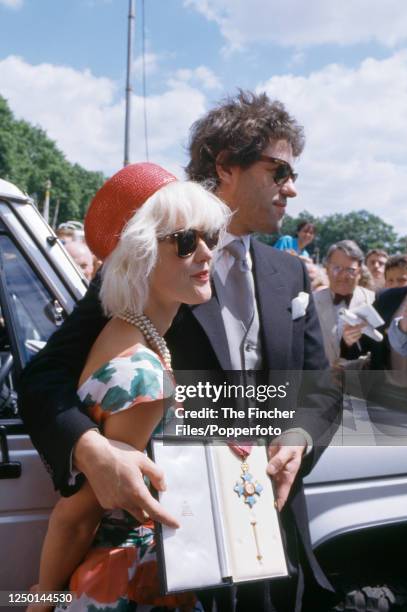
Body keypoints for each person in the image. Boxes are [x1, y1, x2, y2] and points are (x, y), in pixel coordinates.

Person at [19, 91, 340, 612]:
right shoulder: (151, 267)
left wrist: (297, 437)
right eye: (279, 171)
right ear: (226, 165)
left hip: (271, 545)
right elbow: (44, 378)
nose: (292, 188)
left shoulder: (290, 272)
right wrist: (90, 450)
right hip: (174, 557)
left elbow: (320, 388)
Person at [28, 162, 230, 611]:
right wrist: (38, 601)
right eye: (184, 241)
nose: (205, 253)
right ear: (139, 254)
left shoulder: (125, 333)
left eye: (209, 238)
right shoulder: (144, 374)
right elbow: (76, 517)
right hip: (125, 589)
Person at [313, 240, 375, 367]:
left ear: (360, 272)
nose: (343, 276)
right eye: (337, 268)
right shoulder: (311, 303)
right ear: (327, 269)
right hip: (321, 382)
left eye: (350, 270)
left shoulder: (374, 300)